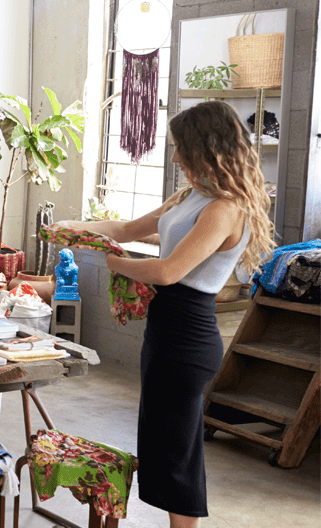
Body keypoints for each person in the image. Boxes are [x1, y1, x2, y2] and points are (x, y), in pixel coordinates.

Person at [53, 101, 274, 528]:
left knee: (178, 450)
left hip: (188, 334)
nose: (174, 157)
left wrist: (109, 262)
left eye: (180, 148)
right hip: (165, 329)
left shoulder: (225, 209)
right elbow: (126, 230)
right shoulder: (192, 194)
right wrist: (73, 227)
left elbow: (167, 271)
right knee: (164, 441)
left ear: (206, 146)